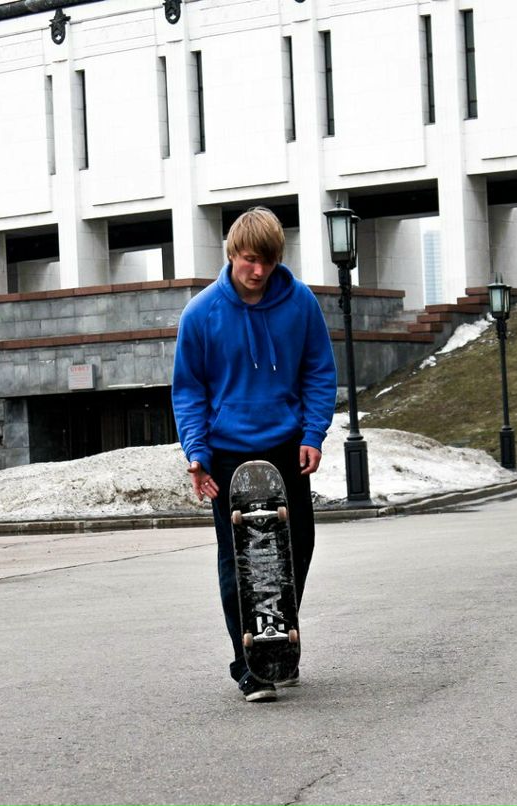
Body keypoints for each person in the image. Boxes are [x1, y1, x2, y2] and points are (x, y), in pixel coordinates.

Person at [172, 206, 337, 703]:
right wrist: (197, 454)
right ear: (231, 254)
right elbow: (189, 390)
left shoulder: (300, 302)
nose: (258, 271)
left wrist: (314, 433)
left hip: (286, 447)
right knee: (238, 558)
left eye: (266, 261)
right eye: (249, 260)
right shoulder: (201, 313)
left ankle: (275, 646)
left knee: (295, 548)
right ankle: (249, 665)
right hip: (227, 455)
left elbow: (318, 371)